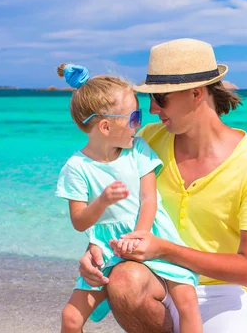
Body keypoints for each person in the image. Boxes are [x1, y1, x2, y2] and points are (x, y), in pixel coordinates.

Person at [77, 38, 247, 332]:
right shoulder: (146, 141)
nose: (151, 109)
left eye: (160, 98)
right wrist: (94, 248)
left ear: (197, 94)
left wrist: (166, 249)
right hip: (158, 282)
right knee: (124, 280)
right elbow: (116, 209)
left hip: (224, 294)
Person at [55, 64, 202, 333]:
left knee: (188, 301)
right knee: (71, 317)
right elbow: (78, 221)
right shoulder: (76, 167)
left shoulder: (138, 151)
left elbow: (149, 200)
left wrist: (139, 236)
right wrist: (102, 201)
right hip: (105, 249)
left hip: (150, 235)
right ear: (106, 126)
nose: (140, 124)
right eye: (134, 118)